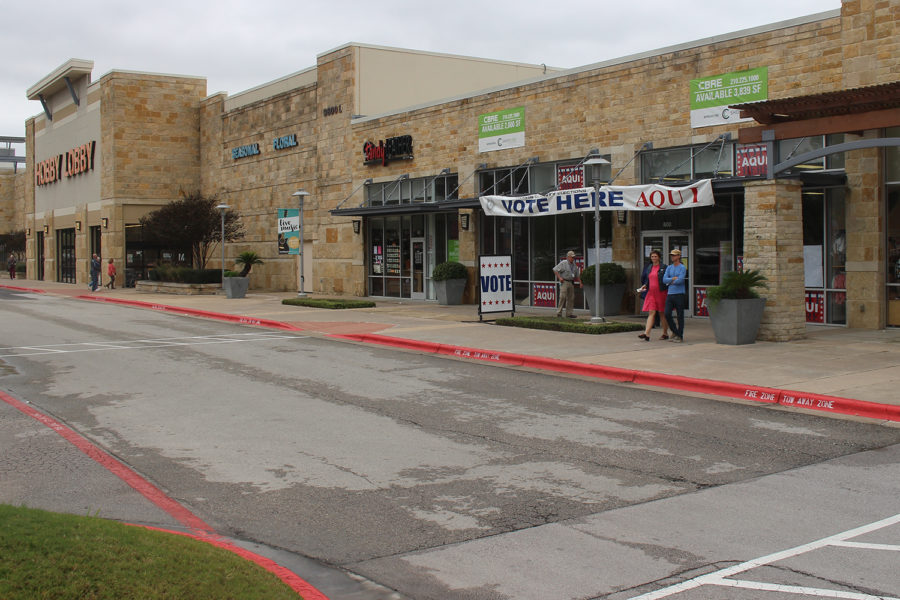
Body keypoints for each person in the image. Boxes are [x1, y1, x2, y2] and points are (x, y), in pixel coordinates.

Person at [637, 250, 670, 341]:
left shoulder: (664, 267)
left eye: (655, 256)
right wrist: (645, 285)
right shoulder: (649, 267)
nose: (654, 258)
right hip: (651, 293)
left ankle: (665, 333)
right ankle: (646, 333)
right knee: (651, 312)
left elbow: (667, 279)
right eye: (652, 257)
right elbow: (648, 279)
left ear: (659, 257)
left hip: (661, 293)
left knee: (661, 313)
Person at [663, 248, 688, 343]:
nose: (672, 257)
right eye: (671, 255)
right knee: (667, 313)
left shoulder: (682, 267)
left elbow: (680, 280)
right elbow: (664, 280)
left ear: (678, 256)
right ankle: (675, 331)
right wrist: (672, 279)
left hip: (679, 294)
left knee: (680, 315)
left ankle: (679, 335)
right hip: (670, 294)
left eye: (674, 255)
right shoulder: (669, 267)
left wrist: (670, 281)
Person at [553, 250, 581, 319]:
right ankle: (559, 313)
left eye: (574, 257)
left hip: (571, 282)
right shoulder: (563, 263)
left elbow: (577, 275)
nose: (573, 258)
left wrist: (580, 282)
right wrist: (559, 278)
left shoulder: (574, 264)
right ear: (568, 257)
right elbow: (555, 269)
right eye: (572, 257)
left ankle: (569, 314)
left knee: (571, 298)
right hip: (564, 282)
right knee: (562, 297)